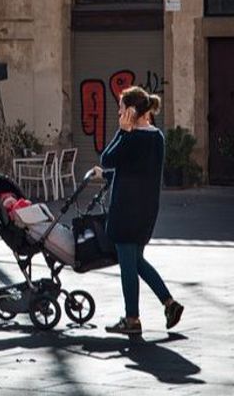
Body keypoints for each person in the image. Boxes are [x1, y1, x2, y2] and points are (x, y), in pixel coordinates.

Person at [93, 86, 183, 335]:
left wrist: (122, 132)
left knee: (128, 266)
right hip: (146, 212)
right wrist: (111, 177)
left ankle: (132, 318)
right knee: (137, 261)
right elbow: (137, 172)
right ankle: (170, 303)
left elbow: (107, 158)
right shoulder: (157, 137)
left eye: (121, 108)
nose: (119, 113)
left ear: (132, 111)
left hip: (125, 211)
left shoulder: (132, 137)